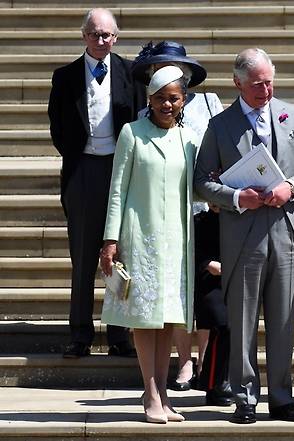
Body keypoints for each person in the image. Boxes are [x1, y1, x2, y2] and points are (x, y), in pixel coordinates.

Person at [194, 48, 294, 424]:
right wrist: (236, 197)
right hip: (242, 234)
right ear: (237, 83)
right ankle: (245, 397)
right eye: (256, 85)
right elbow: (201, 181)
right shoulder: (220, 125)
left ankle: (281, 397)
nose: (265, 90)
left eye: (269, 82)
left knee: (284, 320)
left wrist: (293, 187)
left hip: (286, 230)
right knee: (244, 318)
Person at [100, 66, 196, 424]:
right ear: (149, 100)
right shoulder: (132, 133)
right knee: (145, 317)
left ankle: (163, 393)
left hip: (177, 241)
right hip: (140, 237)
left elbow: (198, 188)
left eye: (173, 98)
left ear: (183, 99)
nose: (166, 104)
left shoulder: (189, 139)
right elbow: (116, 190)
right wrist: (110, 239)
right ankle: (150, 391)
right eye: (159, 98)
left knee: (168, 319)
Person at [47, 8, 144, 359]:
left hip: (120, 169)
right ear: (84, 36)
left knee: (119, 252)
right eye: (95, 34)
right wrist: (80, 154)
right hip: (83, 170)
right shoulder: (65, 76)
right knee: (84, 254)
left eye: (107, 35)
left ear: (116, 37)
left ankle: (119, 334)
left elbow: (137, 118)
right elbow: (57, 127)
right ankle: (80, 334)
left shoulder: (131, 74)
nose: (101, 40)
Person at [132, 40, 224, 392]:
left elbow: (220, 148)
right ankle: (183, 363)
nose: (171, 73)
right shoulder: (146, 116)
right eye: (161, 67)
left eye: (177, 67)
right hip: (168, 215)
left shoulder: (209, 102)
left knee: (204, 289)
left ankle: (205, 359)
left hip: (205, 207)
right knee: (177, 293)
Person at [193, 204, 233, 407]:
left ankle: (214, 383)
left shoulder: (235, 220)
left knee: (228, 329)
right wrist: (207, 264)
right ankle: (216, 383)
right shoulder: (199, 221)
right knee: (223, 324)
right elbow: (193, 252)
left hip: (232, 281)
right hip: (208, 284)